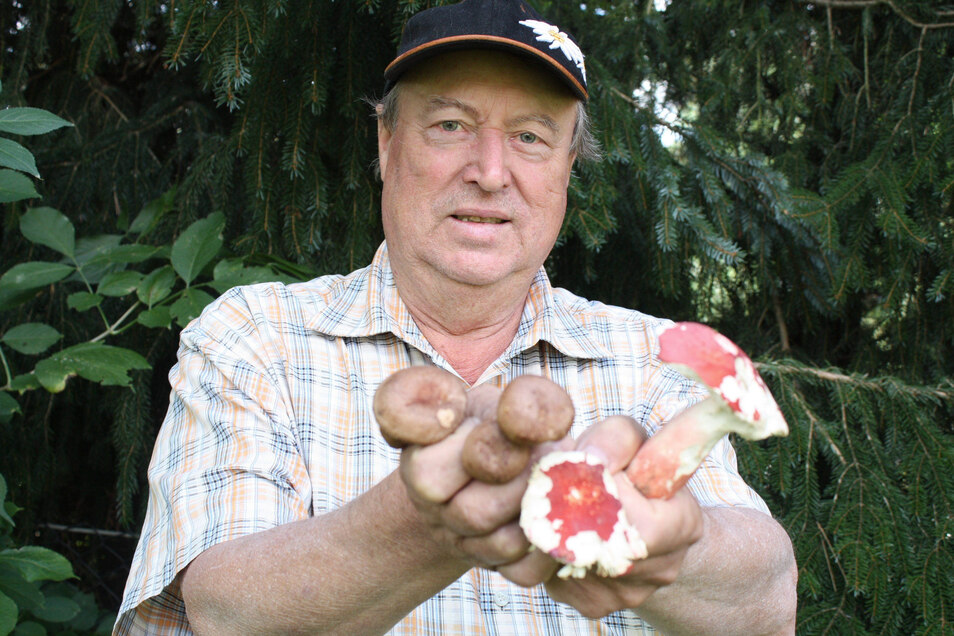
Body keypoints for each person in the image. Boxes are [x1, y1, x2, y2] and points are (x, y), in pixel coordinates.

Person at [115, 0, 797, 633]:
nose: (491, 171)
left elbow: (765, 597)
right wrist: (424, 523)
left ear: (567, 169)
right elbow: (222, 608)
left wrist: (678, 544)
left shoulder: (656, 358)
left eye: (531, 136)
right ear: (385, 143)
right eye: (451, 126)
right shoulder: (254, 337)